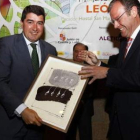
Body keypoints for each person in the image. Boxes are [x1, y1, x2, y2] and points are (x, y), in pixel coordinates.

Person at [78, 0, 140, 140]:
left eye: (118, 19)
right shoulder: (125, 40)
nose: (116, 26)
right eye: (113, 21)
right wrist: (99, 64)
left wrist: (106, 72)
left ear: (134, 12)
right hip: (119, 120)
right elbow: (121, 72)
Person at [0, 5, 57, 140]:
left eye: (39, 23)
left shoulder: (51, 50)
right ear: (22, 23)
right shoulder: (6, 44)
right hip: (10, 125)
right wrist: (22, 110)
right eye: (30, 22)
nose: (35, 28)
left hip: (38, 125)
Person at [65, 42, 95, 140]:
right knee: (69, 135)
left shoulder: (93, 69)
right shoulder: (65, 67)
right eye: (76, 51)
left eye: (81, 51)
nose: (78, 54)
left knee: (86, 134)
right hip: (67, 108)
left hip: (84, 108)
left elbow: (93, 88)